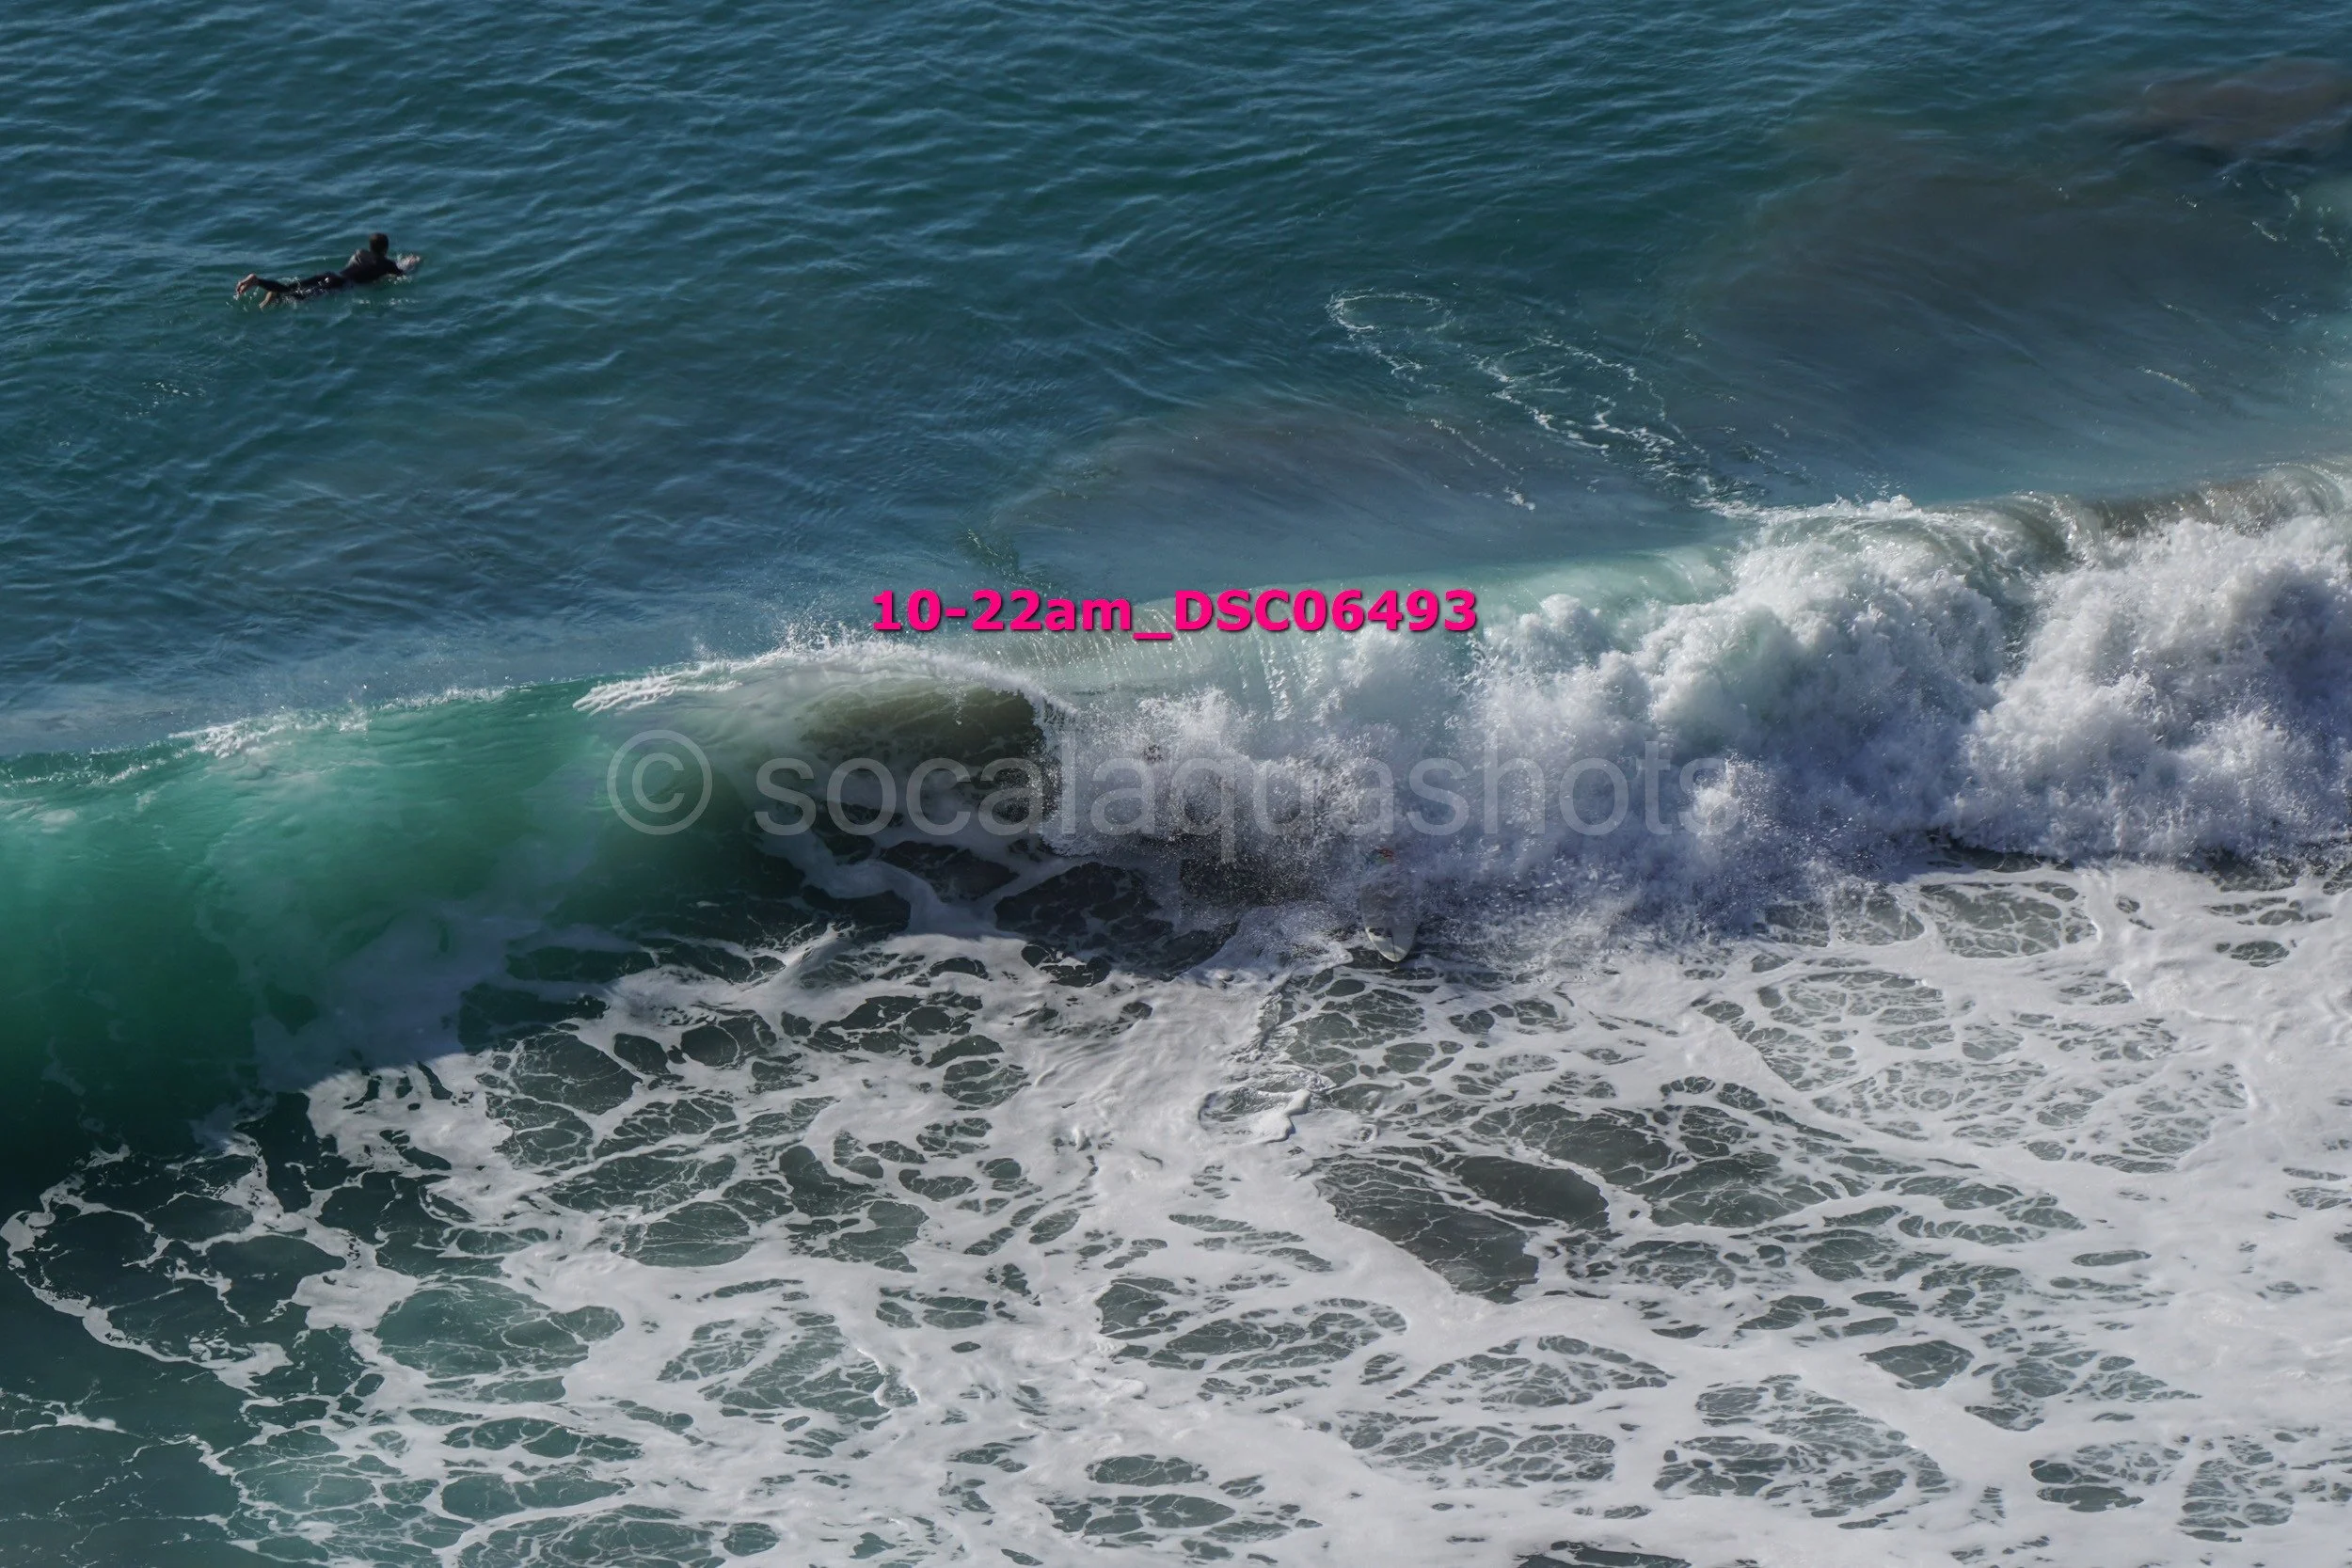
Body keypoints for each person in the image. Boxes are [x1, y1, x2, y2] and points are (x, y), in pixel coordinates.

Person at [236, 234, 420, 305]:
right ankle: (269, 290)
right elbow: (401, 275)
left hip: (332, 274)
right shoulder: (386, 264)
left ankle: (261, 284)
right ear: (385, 250)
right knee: (300, 297)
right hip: (341, 284)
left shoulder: (361, 252)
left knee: (292, 286)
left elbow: (358, 264)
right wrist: (412, 263)